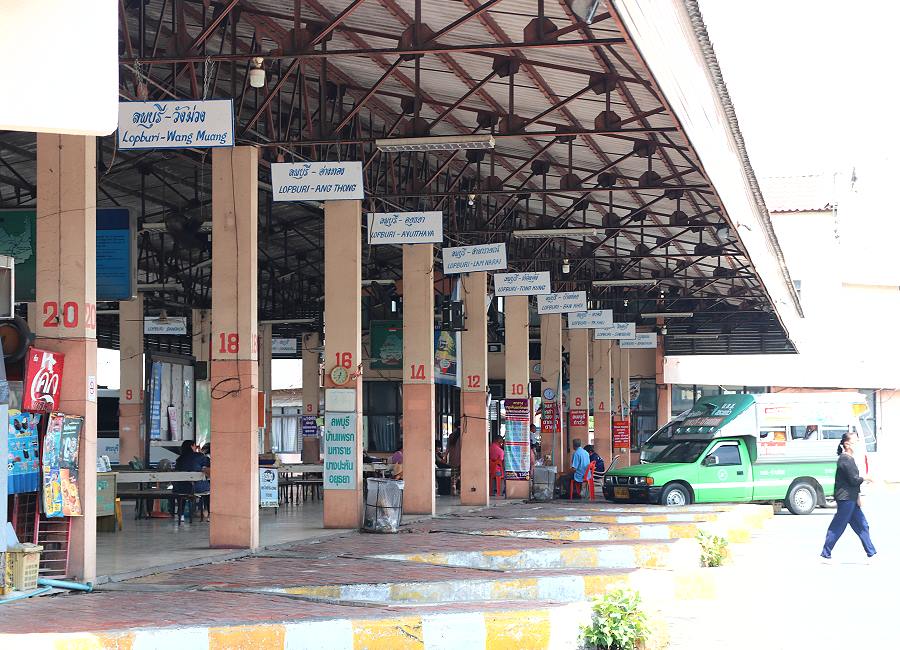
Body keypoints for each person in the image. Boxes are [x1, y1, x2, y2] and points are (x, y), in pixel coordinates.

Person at [820, 431, 876, 562]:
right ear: (847, 444)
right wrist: (866, 478)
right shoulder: (845, 460)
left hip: (851, 498)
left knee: (862, 525)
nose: (857, 444)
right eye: (855, 441)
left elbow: (853, 484)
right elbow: (853, 480)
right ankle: (825, 553)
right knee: (838, 526)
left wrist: (858, 497)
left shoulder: (850, 459)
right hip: (845, 499)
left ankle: (871, 553)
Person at [173, 440, 210, 520]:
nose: (195, 448)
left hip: (180, 488)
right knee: (209, 491)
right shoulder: (199, 456)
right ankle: (209, 515)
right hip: (197, 488)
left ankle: (181, 514)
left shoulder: (179, 459)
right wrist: (201, 453)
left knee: (183, 490)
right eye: (194, 446)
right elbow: (209, 463)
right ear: (191, 446)